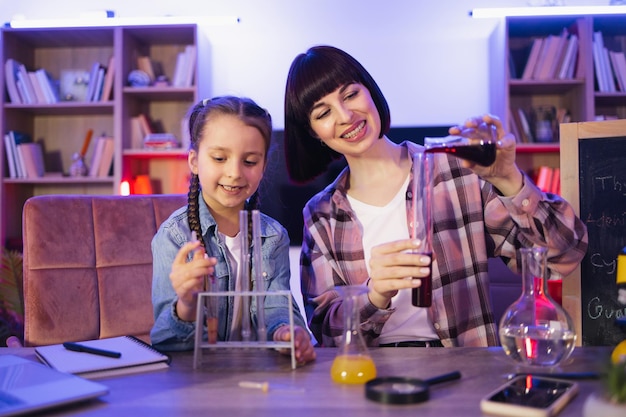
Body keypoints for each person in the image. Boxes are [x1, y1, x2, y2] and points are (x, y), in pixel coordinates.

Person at [283, 45, 588, 348]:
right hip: (370, 379)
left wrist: (508, 179)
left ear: (370, 91)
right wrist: (375, 295)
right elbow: (325, 334)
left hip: (465, 372)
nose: (346, 115)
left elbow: (564, 256)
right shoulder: (321, 214)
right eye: (323, 113)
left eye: (350, 94)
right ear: (313, 133)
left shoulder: (454, 171)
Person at [151, 96, 316, 363]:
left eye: (249, 161)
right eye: (219, 158)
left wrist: (286, 333)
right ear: (194, 161)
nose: (235, 172)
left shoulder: (274, 237)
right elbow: (164, 340)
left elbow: (277, 307)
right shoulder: (173, 236)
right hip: (196, 382)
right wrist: (186, 304)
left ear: (263, 166)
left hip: (258, 379)